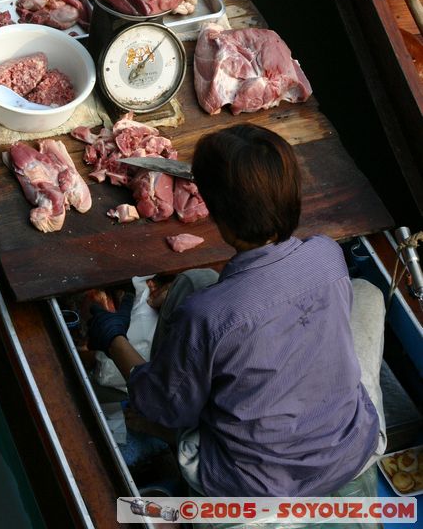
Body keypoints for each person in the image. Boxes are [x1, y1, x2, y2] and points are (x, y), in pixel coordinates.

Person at [88, 123, 386, 498]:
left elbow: (162, 405)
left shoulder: (206, 315)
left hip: (252, 484)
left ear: (218, 214)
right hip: (350, 448)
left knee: (177, 385)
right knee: (365, 293)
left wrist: (113, 337)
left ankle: (170, 441)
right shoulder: (327, 254)